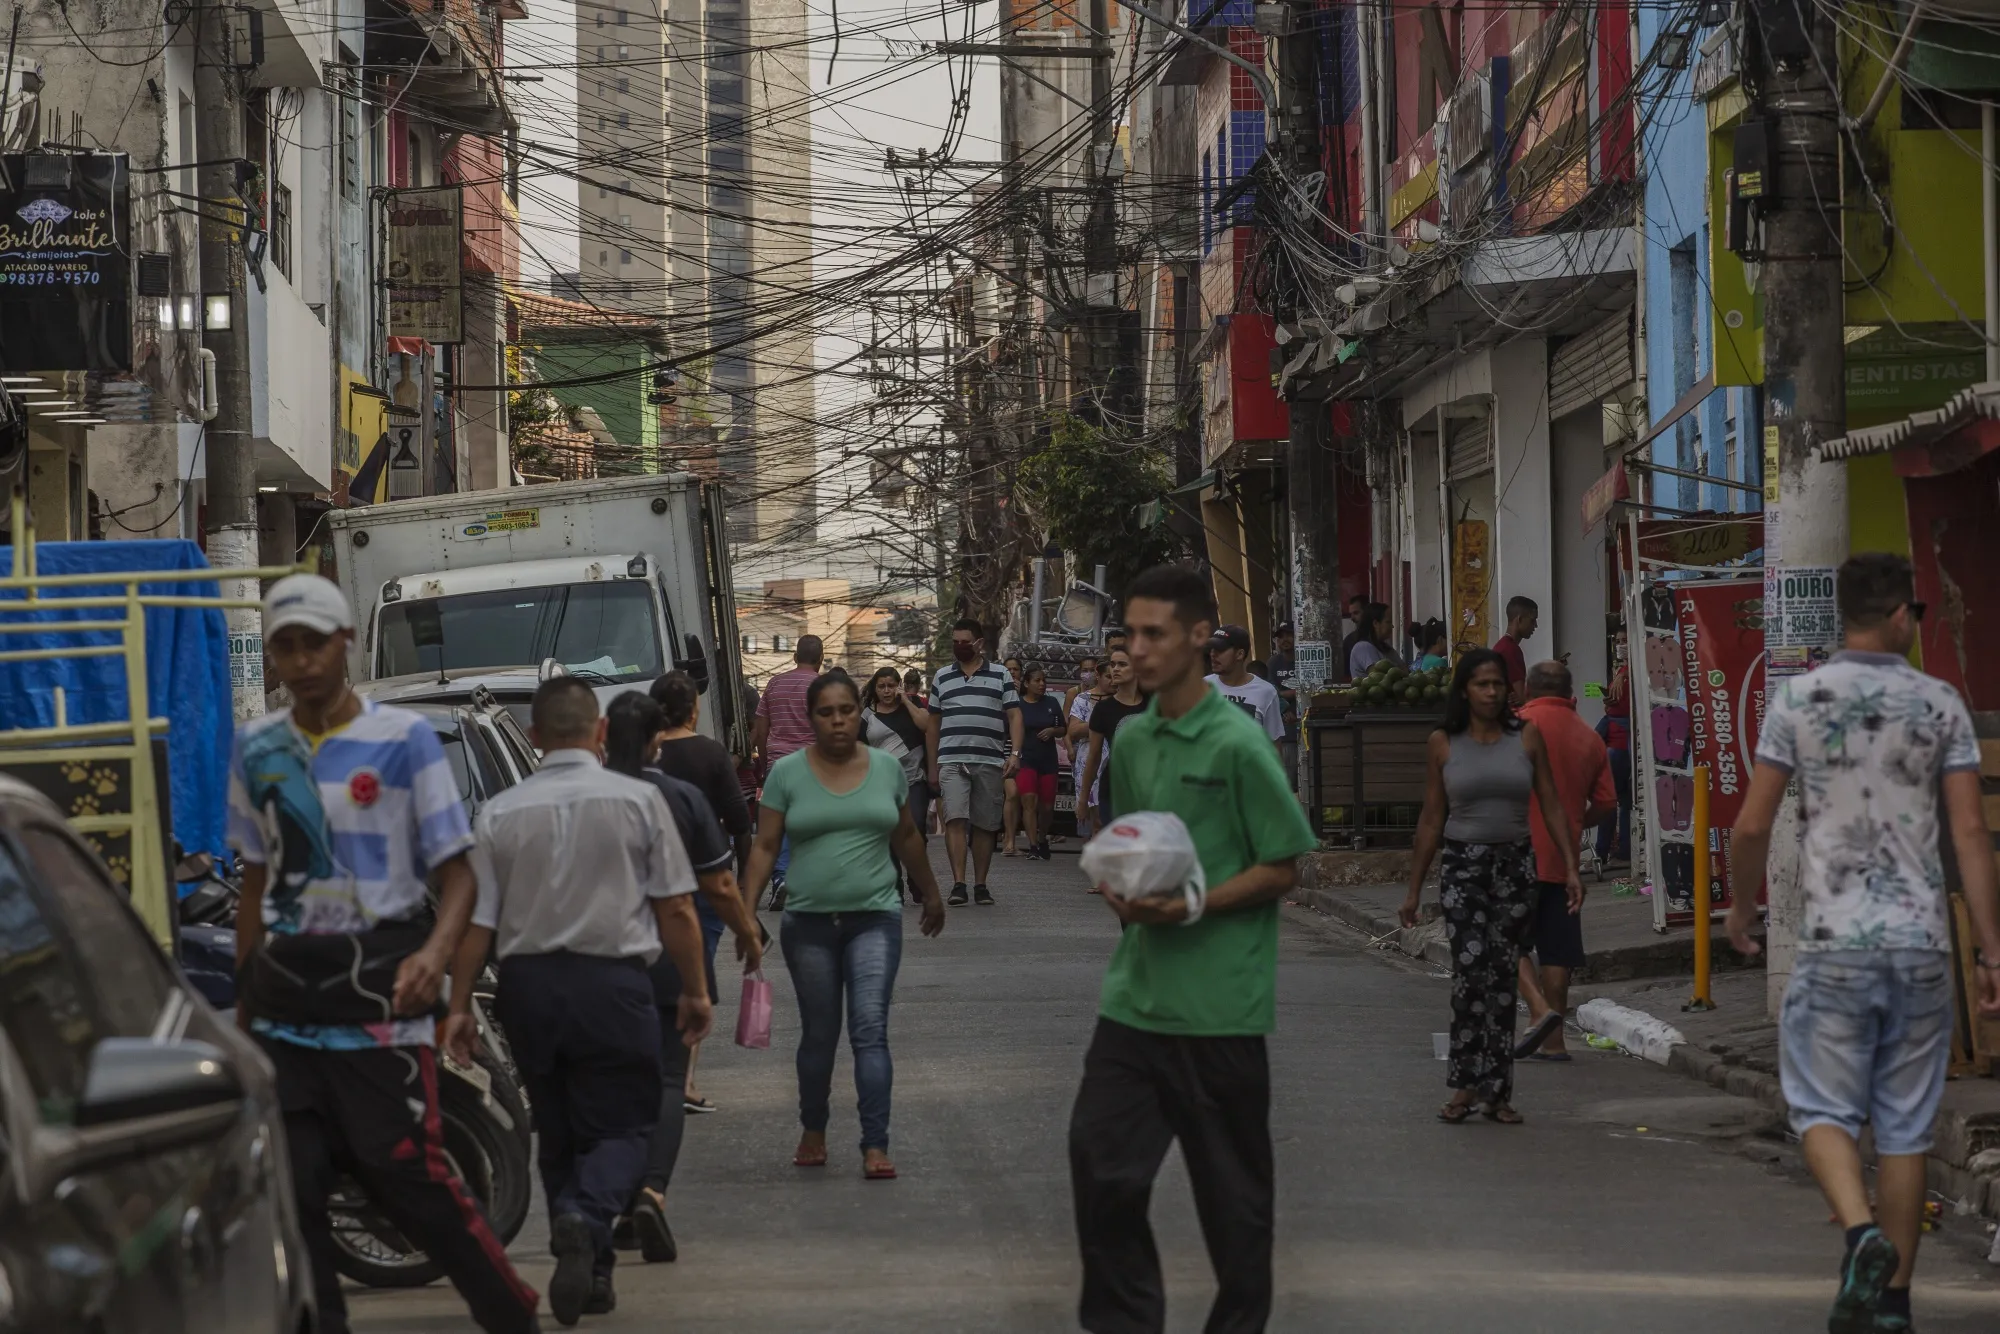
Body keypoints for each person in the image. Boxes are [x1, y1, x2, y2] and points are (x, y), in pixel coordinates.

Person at [228, 574, 540, 1334]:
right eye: (285, 647)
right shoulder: (256, 749)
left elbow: (458, 871)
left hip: (380, 999)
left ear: (345, 645)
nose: (300, 662)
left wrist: (436, 955)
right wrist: (244, 1003)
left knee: (406, 1170)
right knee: (292, 1187)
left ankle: (509, 1313)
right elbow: (255, 883)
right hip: (286, 1004)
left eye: (313, 644)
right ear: (272, 655)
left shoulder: (401, 743)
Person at [1726, 553, 2000, 1334]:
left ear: (1846, 614)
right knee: (1907, 1128)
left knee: (1819, 1110)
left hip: (1834, 944)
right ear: (1902, 616)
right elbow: (1971, 832)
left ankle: (1860, 1236)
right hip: (1918, 947)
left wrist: (1741, 910)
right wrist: (1991, 951)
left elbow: (1752, 824)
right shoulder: (1939, 703)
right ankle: (1894, 1309)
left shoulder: (1799, 700)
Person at [1068, 565, 1316, 1334]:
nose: (1135, 650)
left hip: (1221, 1013)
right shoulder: (1134, 739)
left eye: (1154, 635)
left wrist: (1191, 904)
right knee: (1100, 1171)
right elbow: (1141, 847)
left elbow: (1284, 866)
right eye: (1130, 635)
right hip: (1134, 1003)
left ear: (1200, 638)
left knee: (1236, 1214)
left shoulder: (1240, 745)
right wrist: (1125, 893)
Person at [447, 677, 713, 1325]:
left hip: (527, 988)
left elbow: (477, 924)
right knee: (625, 1126)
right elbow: (676, 906)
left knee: (560, 1129)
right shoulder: (635, 801)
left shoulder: (500, 813)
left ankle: (594, 1274)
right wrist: (697, 989)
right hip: (612, 985)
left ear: (533, 737)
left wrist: (456, 1008)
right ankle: (585, 1216)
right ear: (599, 733)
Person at [742, 673, 946, 1179]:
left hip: (875, 919)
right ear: (811, 719)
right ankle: (813, 1128)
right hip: (808, 924)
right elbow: (765, 847)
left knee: (869, 1030)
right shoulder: (787, 774)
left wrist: (932, 892)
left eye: (847, 711)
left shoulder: (885, 768)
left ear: (861, 714)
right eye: (826, 712)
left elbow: (906, 834)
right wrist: (745, 913)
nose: (838, 721)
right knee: (818, 1033)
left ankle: (875, 1143)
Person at [601, 691, 762, 1265]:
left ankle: (611, 1197)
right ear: (653, 743)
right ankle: (650, 1192)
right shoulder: (682, 797)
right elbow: (717, 885)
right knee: (668, 1079)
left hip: (596, 966)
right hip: (667, 957)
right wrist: (746, 933)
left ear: (602, 738)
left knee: (612, 1085)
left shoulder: (580, 800)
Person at [1399, 647, 1581, 1125]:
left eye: (1498, 684)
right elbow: (1431, 818)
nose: (1492, 691)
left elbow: (1552, 804)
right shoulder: (1444, 742)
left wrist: (1571, 868)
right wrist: (1414, 889)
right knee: (1470, 974)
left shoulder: (1527, 737)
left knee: (1502, 978)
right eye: (1482, 683)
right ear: (1465, 689)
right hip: (1463, 866)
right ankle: (1463, 1086)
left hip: (1515, 866)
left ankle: (1497, 1092)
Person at [649, 669, 757, 1114]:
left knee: (651, 977)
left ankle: (659, 1073)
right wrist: (746, 889)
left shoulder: (640, 758)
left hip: (646, 885)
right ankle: (684, 1080)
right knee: (693, 977)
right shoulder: (710, 753)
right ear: (694, 709)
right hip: (701, 881)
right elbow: (739, 821)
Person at [1511, 660, 1615, 1062]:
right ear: (1571, 695)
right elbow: (1607, 802)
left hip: (1514, 853)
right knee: (1558, 950)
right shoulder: (1589, 738)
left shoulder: (1515, 729)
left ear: (1529, 693)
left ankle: (1539, 1011)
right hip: (1564, 859)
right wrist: (1575, 824)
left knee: (1507, 939)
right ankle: (1554, 1042)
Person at [928, 618, 1024, 906]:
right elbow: (933, 724)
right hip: (952, 760)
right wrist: (932, 767)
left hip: (990, 759)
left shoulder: (1000, 675)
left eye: (964, 642)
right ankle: (959, 883)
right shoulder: (942, 676)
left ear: (979, 643)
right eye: (955, 642)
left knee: (985, 824)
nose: (959, 647)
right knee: (955, 819)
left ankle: (980, 884)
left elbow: (1015, 715)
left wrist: (1015, 754)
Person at [751, 634, 824, 901]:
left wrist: (765, 759)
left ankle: (781, 878)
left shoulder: (773, 684)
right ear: (821, 658)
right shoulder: (822, 687)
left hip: (778, 764)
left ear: (794, 656)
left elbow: (761, 730)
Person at [861, 666, 936, 898]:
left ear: (899, 686)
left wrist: (905, 700)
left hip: (914, 781)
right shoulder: (866, 714)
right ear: (875, 688)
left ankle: (915, 877)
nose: (886, 691)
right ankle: (894, 885)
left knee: (916, 828)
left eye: (891, 686)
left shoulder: (912, 707)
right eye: (882, 686)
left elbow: (927, 726)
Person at [1079, 646, 1148, 832]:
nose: (1115, 669)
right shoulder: (1104, 709)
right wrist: (1083, 799)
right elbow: (1093, 758)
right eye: (1112, 664)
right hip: (1114, 790)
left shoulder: (1154, 705)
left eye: (1122, 664)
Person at [1014, 663, 1066, 860]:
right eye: (1037, 681)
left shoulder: (1051, 702)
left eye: (1044, 680)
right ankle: (1033, 844)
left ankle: (1043, 837)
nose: (1042, 684)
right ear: (1026, 683)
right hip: (1026, 758)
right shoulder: (1018, 705)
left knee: (1046, 807)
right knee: (1029, 801)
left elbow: (1063, 728)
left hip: (1048, 760)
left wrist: (1053, 731)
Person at [1205, 623, 1285, 748]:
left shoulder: (1266, 692)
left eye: (1220, 650)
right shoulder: (1202, 687)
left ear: (1239, 654)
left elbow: (1273, 744)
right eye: (1212, 649)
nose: (1213, 654)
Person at [1594, 629, 1633, 867]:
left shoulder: (1632, 671)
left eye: (1625, 640)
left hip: (1620, 744)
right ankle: (1621, 850)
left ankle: (1602, 850)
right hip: (1618, 742)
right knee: (1624, 800)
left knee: (1609, 799)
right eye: (1618, 641)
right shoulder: (1622, 671)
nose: (1621, 645)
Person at [1068, 661, 1114, 839]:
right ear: (1099, 676)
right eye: (1108, 676)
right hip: (1088, 757)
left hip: (1112, 757)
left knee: (1106, 814)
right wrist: (1100, 723)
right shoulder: (1082, 699)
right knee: (1092, 814)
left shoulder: (1120, 700)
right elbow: (1073, 730)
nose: (1113, 681)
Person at [1266, 623, 1300, 790]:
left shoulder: (1305, 659)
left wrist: (1285, 693)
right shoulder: (1273, 663)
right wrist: (1296, 692)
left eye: (1288, 635)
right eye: (1280, 637)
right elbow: (1271, 692)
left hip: (1307, 724)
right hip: (1286, 730)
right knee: (1289, 781)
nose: (1284, 640)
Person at [1002, 656, 1027, 856]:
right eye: (1008, 669)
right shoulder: (997, 694)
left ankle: (1014, 837)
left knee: (1022, 797)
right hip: (1003, 750)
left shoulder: (1028, 695)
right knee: (1011, 793)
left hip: (1026, 751)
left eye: (1016, 669)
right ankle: (1008, 841)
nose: (1012, 673)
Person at [1493, 595, 1538, 704]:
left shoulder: (1501, 646)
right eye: (1532, 621)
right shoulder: (1510, 650)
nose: (1535, 626)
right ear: (1519, 619)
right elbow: (1523, 698)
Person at [1347, 602, 1401, 677]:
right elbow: (1378, 676)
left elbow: (1404, 669)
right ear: (1375, 623)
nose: (1392, 626)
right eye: (1388, 622)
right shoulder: (1363, 647)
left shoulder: (1387, 649)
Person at [1338, 593, 1368, 680]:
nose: (1352, 618)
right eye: (1351, 614)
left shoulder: (1379, 637)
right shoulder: (1350, 641)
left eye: (1356, 613)